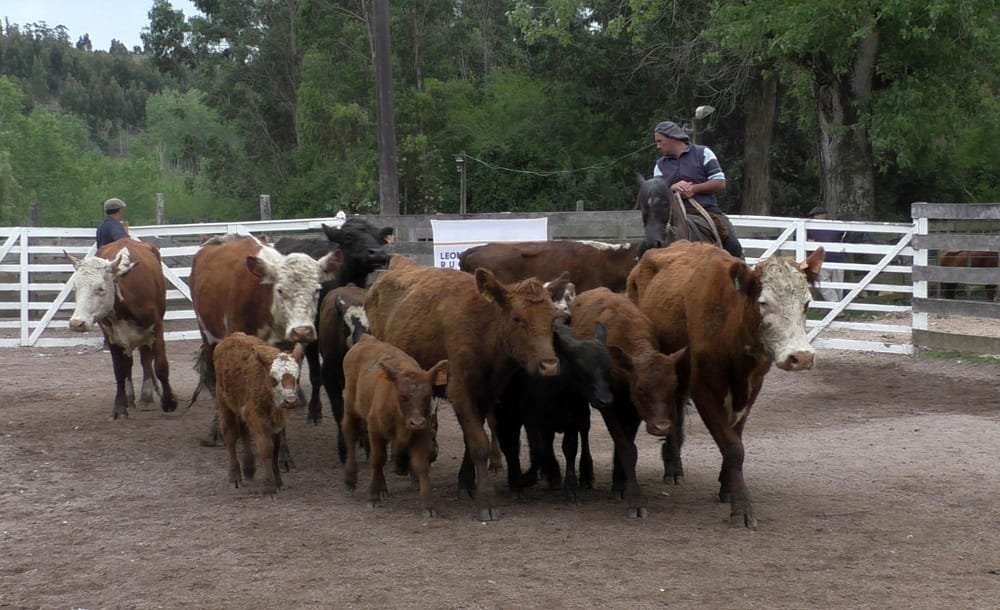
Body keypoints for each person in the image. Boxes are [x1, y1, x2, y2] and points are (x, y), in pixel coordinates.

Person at [652, 120, 743, 258]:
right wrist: (672, 187)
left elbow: (719, 182)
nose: (658, 146)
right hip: (672, 216)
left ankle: (738, 276)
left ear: (672, 138)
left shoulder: (703, 153)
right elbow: (656, 192)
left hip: (707, 211)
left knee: (733, 246)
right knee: (650, 248)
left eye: (660, 141)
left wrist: (694, 189)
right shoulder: (660, 165)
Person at [806, 206, 847, 302]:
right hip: (825, 259)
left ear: (824, 215)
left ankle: (836, 307)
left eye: (818, 214)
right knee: (824, 283)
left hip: (836, 258)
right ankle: (835, 305)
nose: (816, 217)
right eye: (815, 215)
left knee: (836, 284)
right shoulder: (811, 228)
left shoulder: (834, 226)